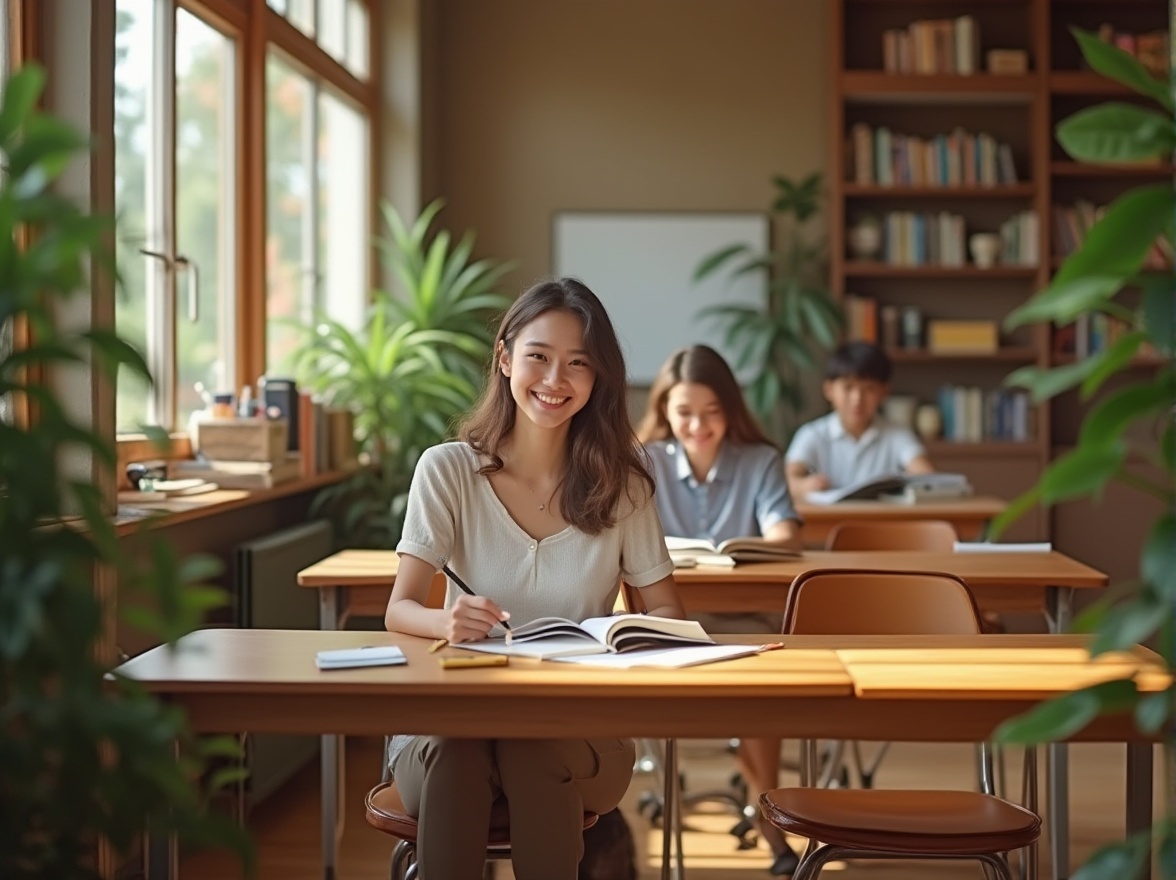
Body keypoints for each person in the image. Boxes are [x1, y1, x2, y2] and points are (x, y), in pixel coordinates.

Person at [384, 277, 686, 880]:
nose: (554, 381)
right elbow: (400, 610)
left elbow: (668, 615)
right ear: (505, 357)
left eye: (578, 364)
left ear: (598, 378)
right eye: (539, 358)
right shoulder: (448, 471)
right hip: (453, 724)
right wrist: (445, 620)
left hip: (578, 728)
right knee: (460, 748)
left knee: (533, 743)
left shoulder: (624, 485)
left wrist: (626, 634)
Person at [636, 344, 803, 877]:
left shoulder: (761, 461)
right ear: (665, 410)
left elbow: (786, 533)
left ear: (730, 408)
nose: (697, 425)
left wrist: (749, 547)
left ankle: (768, 805)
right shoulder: (644, 460)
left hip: (749, 619)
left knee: (762, 686)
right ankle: (762, 810)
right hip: (670, 620)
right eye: (684, 412)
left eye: (711, 412)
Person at [786, 340, 934, 499]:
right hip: (829, 521)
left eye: (869, 389)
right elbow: (788, 480)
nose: (857, 399)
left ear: (884, 391)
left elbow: (928, 477)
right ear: (828, 390)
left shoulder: (897, 435)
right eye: (848, 387)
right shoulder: (812, 434)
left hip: (882, 522)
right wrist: (805, 485)